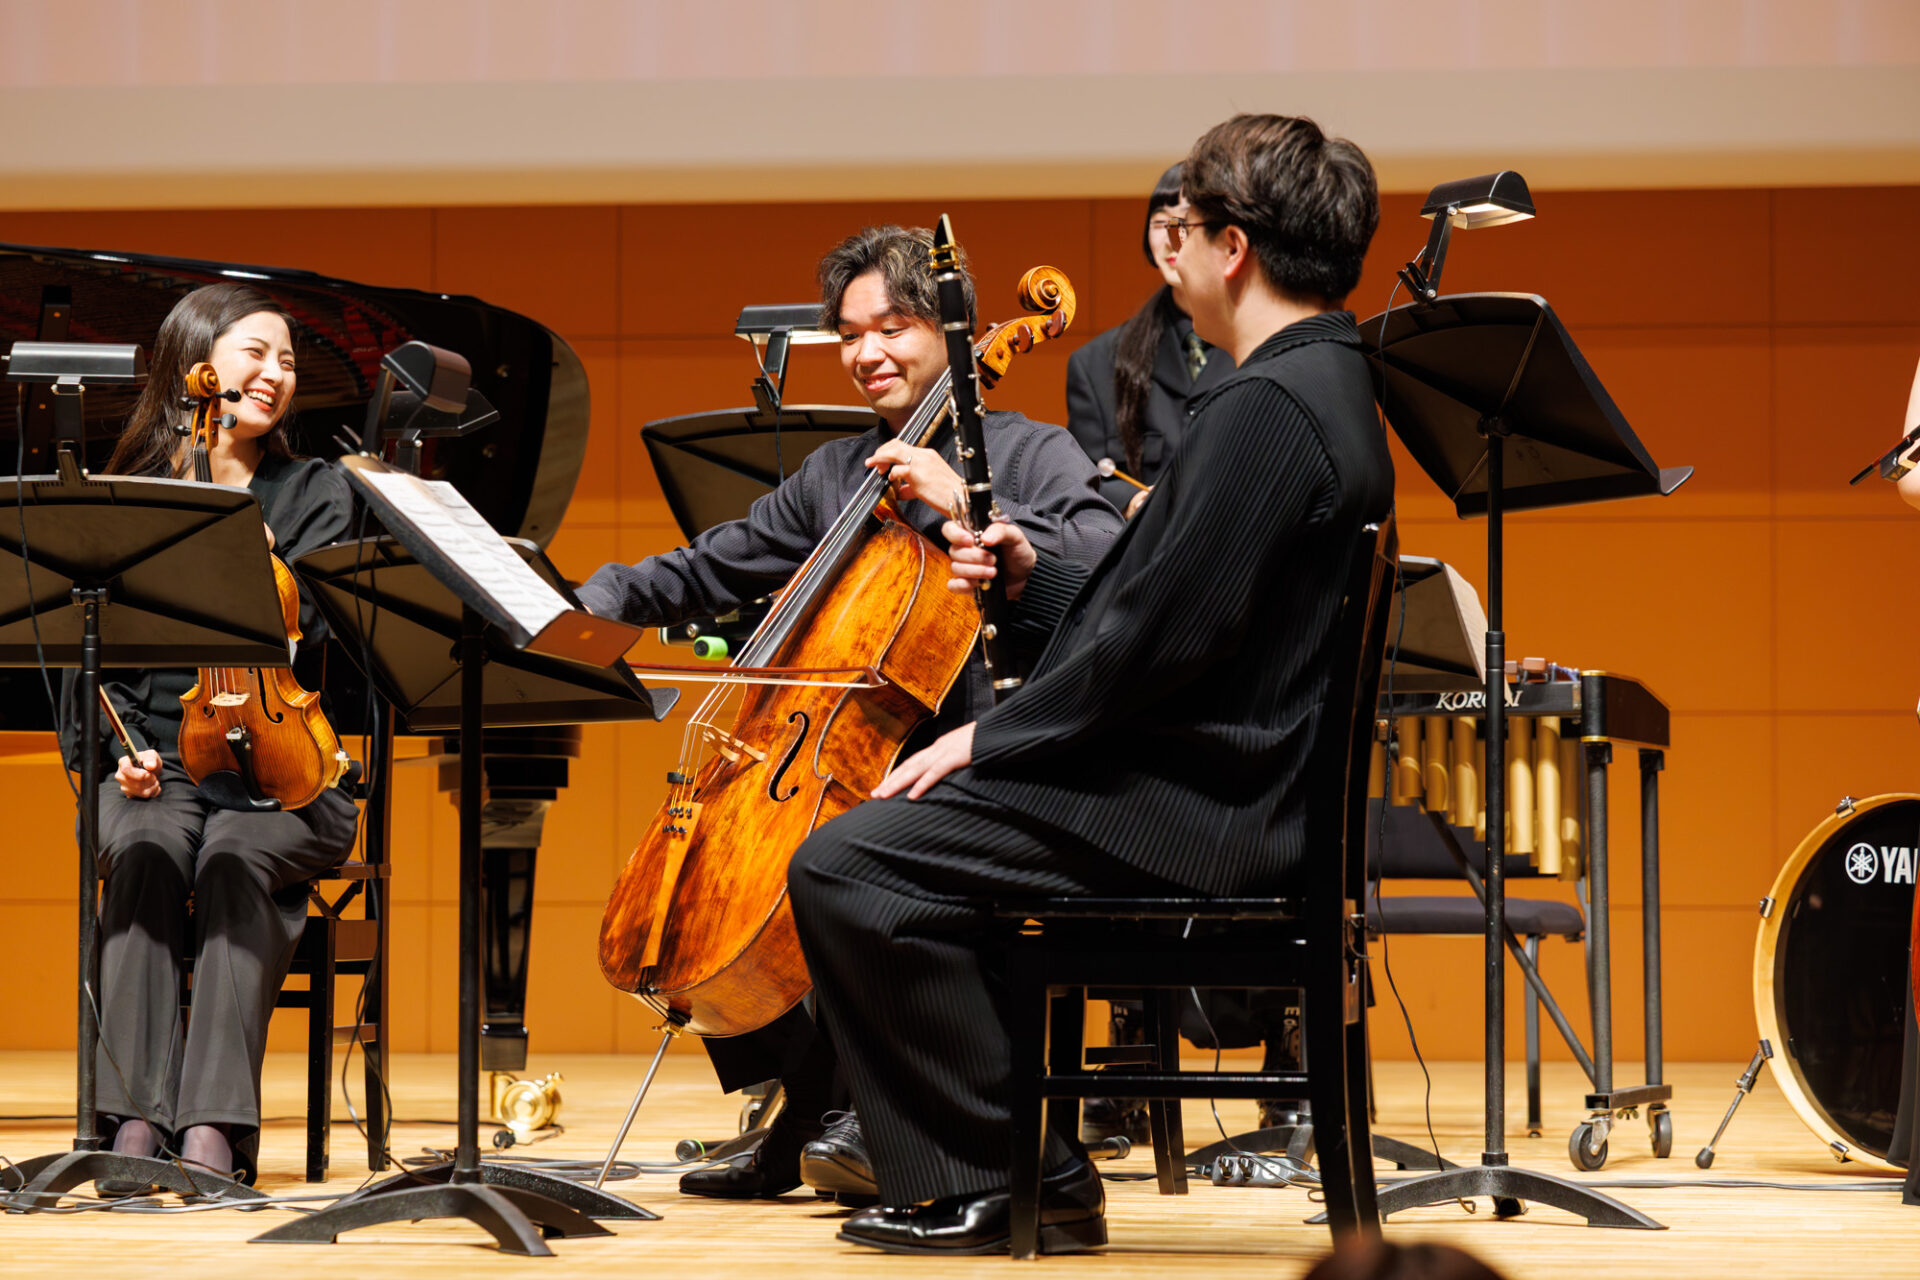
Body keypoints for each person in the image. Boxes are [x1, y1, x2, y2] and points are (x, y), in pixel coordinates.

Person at [787, 112, 1391, 1255]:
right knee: (898, 846)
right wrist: (1035, 578)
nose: (1172, 251)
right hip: (1230, 789)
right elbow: (1172, 608)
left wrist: (991, 737)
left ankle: (1024, 1176)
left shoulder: (1265, 407)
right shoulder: (1324, 383)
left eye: (1186, 229)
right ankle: (1014, 1162)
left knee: (846, 863)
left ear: (1234, 250)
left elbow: (1154, 645)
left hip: (1204, 811)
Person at [572, 224, 1123, 1201]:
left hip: (992, 757)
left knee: (839, 857)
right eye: (851, 333)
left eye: (894, 327)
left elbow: (1102, 574)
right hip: (845, 757)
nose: (867, 352)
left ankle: (877, 1113)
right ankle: (814, 1101)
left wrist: (966, 500)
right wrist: (581, 603)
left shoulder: (1032, 452)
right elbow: (707, 567)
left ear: (953, 333)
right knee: (716, 882)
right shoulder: (838, 475)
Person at [63, 284, 359, 1193]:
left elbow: (327, 632)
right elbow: (93, 664)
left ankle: (213, 1131)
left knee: (232, 855)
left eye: (288, 361)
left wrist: (245, 542)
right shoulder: (134, 499)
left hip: (286, 772)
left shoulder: (316, 493)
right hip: (157, 770)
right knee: (145, 847)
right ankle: (132, 1121)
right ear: (195, 364)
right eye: (256, 353)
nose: (276, 373)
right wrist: (119, 753)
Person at [1065, 161, 1234, 519]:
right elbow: (1081, 475)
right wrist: (1133, 502)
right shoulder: (1095, 363)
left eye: (1187, 220)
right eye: (1160, 222)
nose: (1173, 235)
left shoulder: (1262, 344)